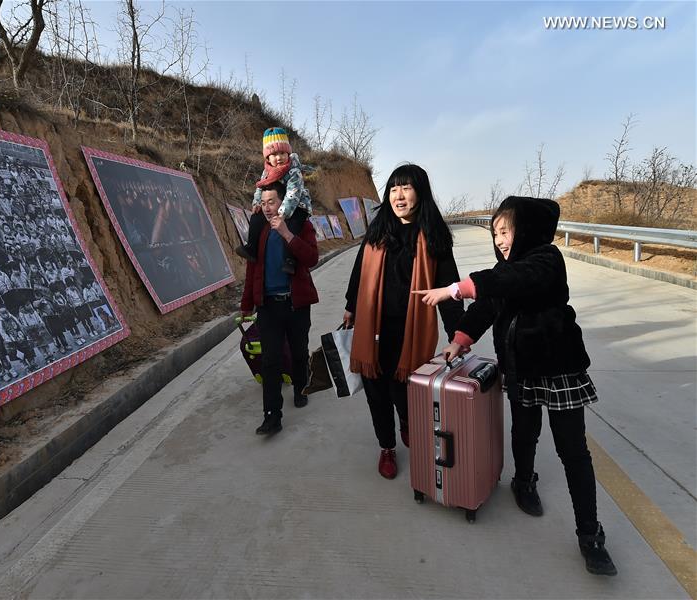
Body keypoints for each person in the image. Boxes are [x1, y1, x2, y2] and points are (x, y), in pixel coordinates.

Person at [414, 196, 617, 576]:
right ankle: (523, 482)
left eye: (506, 231)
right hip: (521, 369)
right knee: (524, 432)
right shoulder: (503, 268)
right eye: (495, 234)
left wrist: (456, 289)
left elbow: (514, 280)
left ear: (525, 229)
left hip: (559, 371)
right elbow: (488, 307)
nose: (501, 240)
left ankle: (590, 536)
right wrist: (459, 340)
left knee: (572, 450)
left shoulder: (545, 259)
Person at [344, 164, 463, 480]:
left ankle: (407, 421)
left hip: (407, 330)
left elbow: (449, 289)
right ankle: (386, 447)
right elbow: (360, 271)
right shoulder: (377, 230)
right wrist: (350, 307)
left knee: (404, 391)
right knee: (376, 392)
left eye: (406, 187)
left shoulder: (435, 239)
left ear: (419, 192)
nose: (399, 195)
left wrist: (458, 335)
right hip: (373, 329)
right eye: (394, 188)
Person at [240, 181, 318, 435]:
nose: (266, 208)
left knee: (298, 352)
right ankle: (272, 416)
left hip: (296, 305)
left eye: (271, 202)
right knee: (270, 360)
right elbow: (252, 269)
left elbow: (311, 258)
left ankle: (299, 387)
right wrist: (246, 304)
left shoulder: (300, 224)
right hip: (268, 307)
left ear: (284, 201)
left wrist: (286, 234)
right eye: (263, 203)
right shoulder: (260, 230)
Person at [236, 128, 313, 275]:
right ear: (267, 158)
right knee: (256, 217)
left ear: (288, 154)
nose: (279, 158)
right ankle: (251, 247)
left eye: (282, 153)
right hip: (276, 204)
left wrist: (282, 214)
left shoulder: (293, 171)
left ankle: (290, 259)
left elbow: (293, 194)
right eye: (274, 154)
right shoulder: (267, 172)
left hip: (297, 206)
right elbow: (260, 187)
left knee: (292, 225)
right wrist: (257, 203)